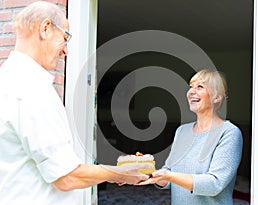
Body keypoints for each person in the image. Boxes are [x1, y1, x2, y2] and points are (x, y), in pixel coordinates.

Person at [0, 1, 152, 204]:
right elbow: (65, 176)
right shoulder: (31, 89)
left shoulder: (8, 78)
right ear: (45, 29)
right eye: (65, 38)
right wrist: (120, 173)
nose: (66, 51)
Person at [138, 69, 243, 205]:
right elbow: (169, 173)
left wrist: (168, 175)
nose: (191, 92)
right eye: (191, 87)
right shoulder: (182, 131)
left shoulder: (229, 133)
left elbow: (214, 184)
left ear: (217, 97)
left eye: (200, 87)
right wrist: (148, 172)